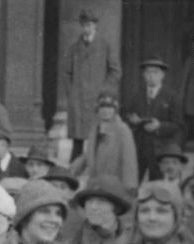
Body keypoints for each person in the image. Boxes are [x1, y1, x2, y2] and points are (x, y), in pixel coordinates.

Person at [65, 9, 121, 161]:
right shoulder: (74, 47)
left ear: (95, 25)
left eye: (89, 25)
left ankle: (98, 168)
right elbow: (67, 73)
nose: (86, 28)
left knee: (97, 138)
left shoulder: (105, 45)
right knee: (77, 140)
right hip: (78, 100)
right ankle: (74, 170)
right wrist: (71, 94)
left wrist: (104, 91)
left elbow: (115, 71)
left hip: (98, 100)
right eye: (84, 25)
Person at [124, 56, 183, 181]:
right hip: (138, 147)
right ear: (143, 75)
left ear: (162, 75)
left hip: (161, 150)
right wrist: (132, 120)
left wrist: (159, 126)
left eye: (155, 72)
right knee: (132, 182)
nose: (151, 76)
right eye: (148, 72)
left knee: (158, 184)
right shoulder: (136, 95)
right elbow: (126, 115)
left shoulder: (172, 97)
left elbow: (178, 124)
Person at [67, 175, 132, 244]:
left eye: (101, 201)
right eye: (89, 201)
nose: (93, 207)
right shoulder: (72, 240)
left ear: (116, 207)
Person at [71, 93, 138, 195]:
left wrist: (130, 187)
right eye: (102, 107)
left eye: (110, 107)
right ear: (97, 109)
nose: (105, 111)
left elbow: (129, 160)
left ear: (115, 110)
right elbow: (91, 152)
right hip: (96, 184)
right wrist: (74, 169)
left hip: (115, 186)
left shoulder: (122, 130)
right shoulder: (95, 129)